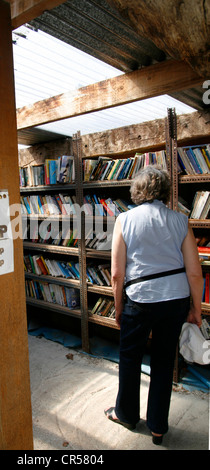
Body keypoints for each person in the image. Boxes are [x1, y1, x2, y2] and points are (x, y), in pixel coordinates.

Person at [105, 165, 203, 445]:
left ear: (137, 191)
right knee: (163, 362)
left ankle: (126, 414)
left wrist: (119, 307)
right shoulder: (180, 221)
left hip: (140, 299)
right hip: (175, 300)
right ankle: (158, 426)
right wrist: (195, 308)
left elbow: (117, 274)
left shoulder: (125, 220)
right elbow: (194, 273)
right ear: (165, 191)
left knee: (130, 358)